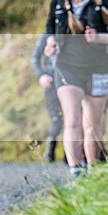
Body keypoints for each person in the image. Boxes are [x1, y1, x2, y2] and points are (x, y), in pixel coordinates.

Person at [45, 0, 108, 177]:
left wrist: (101, 38)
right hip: (67, 67)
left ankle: (93, 169)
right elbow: (49, 30)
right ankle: (75, 172)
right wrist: (50, 43)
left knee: (93, 124)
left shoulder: (101, 2)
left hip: (97, 67)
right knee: (72, 120)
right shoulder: (58, 3)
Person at [31, 31, 62, 162]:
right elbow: (34, 58)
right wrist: (41, 75)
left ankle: (71, 156)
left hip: (70, 80)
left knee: (72, 119)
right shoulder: (46, 34)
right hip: (51, 84)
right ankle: (51, 146)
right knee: (57, 120)